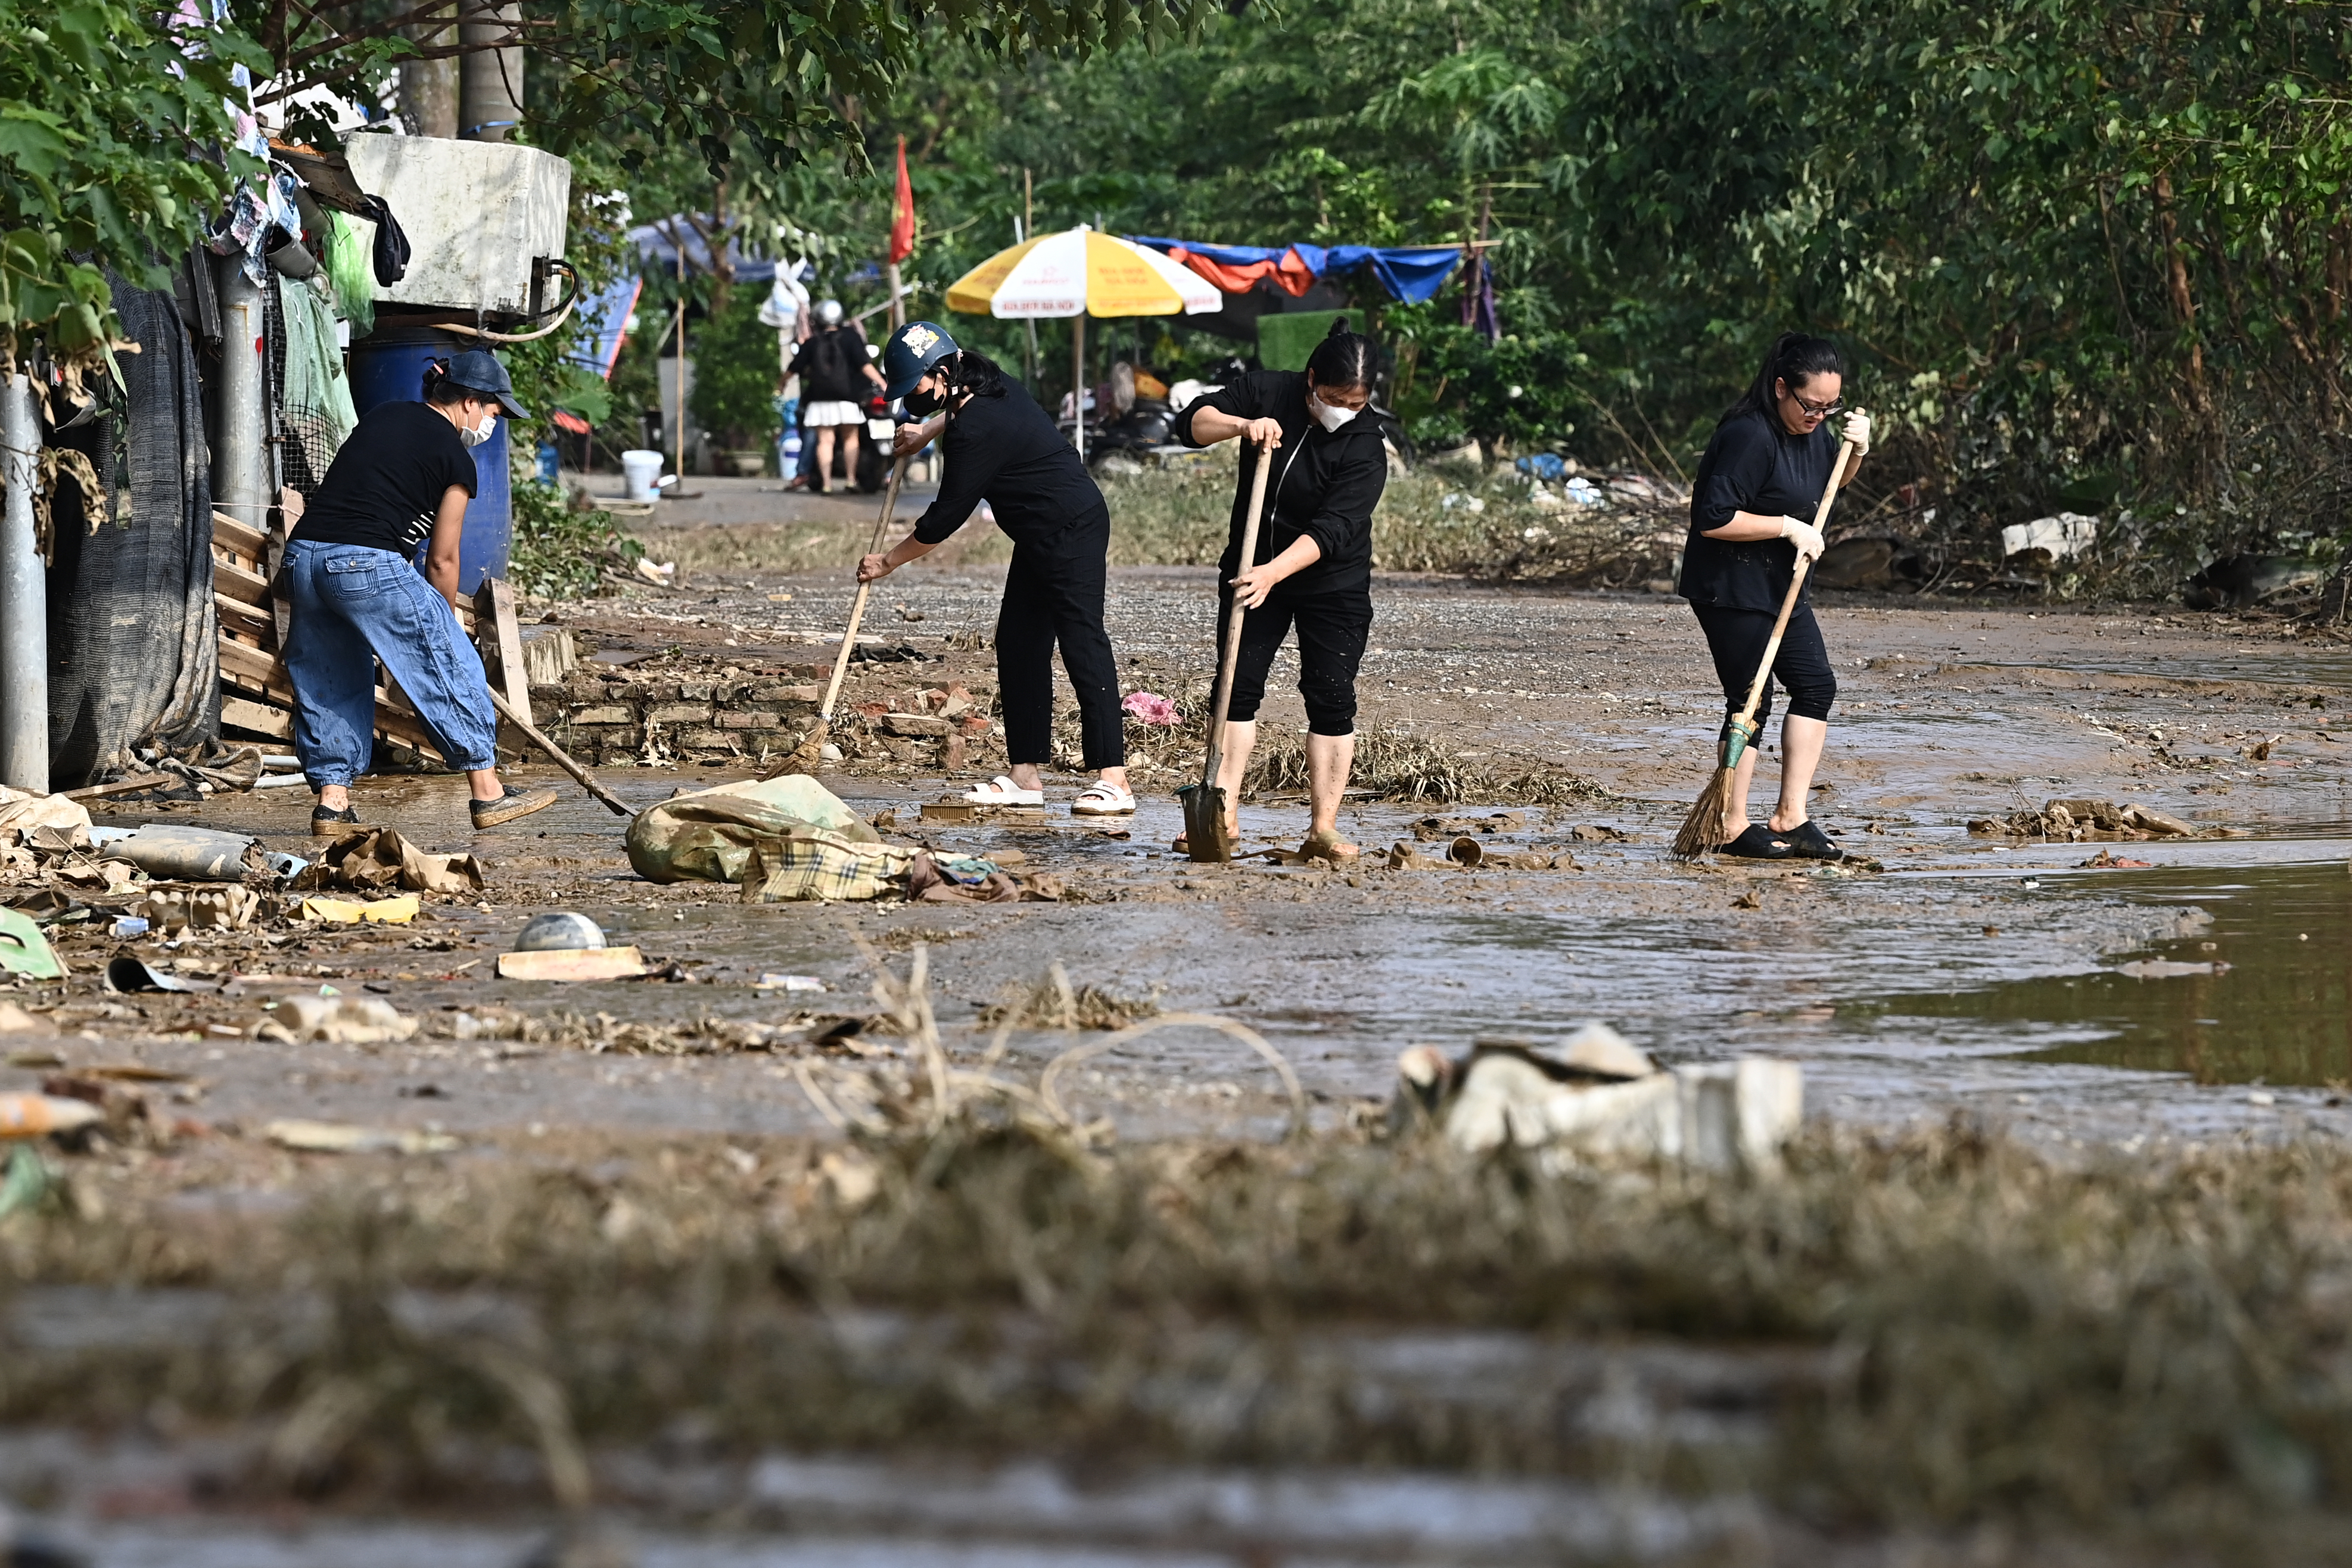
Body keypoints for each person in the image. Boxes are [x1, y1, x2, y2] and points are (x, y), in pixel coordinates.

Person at [860, 321, 1134, 816]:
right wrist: (924, 431)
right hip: (1036, 533)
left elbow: (944, 519)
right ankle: (1025, 777)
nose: (913, 397)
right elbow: (961, 407)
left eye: (917, 387)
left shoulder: (974, 431)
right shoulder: (986, 378)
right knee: (1018, 642)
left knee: (1081, 640)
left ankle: (1114, 779)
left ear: (941, 373)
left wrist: (888, 563)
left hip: (1073, 525)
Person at [281, 350, 558, 835]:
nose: (494, 422)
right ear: (470, 402)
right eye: (494, 411)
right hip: (364, 559)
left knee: (332, 678)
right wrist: (444, 620)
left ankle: (333, 803)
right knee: (450, 661)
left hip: (304, 557)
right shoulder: (456, 458)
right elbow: (443, 559)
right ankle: (488, 792)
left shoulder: (386, 415)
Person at [1175, 316, 1387, 863]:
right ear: (1311, 379)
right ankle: (1221, 812)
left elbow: (1334, 529)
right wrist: (1241, 427)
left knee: (1331, 697)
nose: (1344, 409)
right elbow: (1192, 422)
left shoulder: (1366, 446)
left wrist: (1273, 572)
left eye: (1356, 402)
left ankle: (1324, 826)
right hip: (1250, 569)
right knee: (1237, 689)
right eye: (1334, 397)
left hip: (1327, 581)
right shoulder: (1268, 391)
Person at [1676, 331, 1873, 859]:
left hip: (1782, 584)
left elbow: (1830, 485)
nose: (1819, 416)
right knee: (1750, 700)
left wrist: (1856, 450)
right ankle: (1729, 823)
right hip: (1730, 586)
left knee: (1815, 686)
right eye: (1812, 405)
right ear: (1782, 387)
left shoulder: (1814, 432)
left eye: (1830, 408)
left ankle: (1791, 815)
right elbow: (1713, 519)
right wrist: (1787, 527)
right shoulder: (1748, 435)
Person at [786, 299, 885, 493]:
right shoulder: (851, 337)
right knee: (850, 439)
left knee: (825, 441)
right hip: (847, 399)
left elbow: (794, 367)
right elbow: (864, 365)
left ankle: (827, 484)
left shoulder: (813, 342)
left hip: (819, 401)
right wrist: (883, 384)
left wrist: (781, 384)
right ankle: (850, 480)